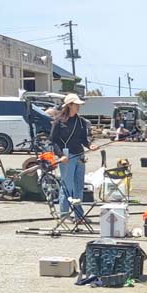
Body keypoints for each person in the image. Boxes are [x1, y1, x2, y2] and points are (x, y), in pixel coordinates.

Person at [50, 93, 98, 221]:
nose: (78, 107)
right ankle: (64, 214)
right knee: (67, 185)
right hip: (66, 156)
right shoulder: (58, 121)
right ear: (69, 105)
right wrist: (60, 155)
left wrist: (90, 146)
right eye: (76, 104)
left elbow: (83, 139)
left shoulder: (81, 121)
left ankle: (78, 215)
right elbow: (53, 141)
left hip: (80, 155)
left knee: (78, 186)